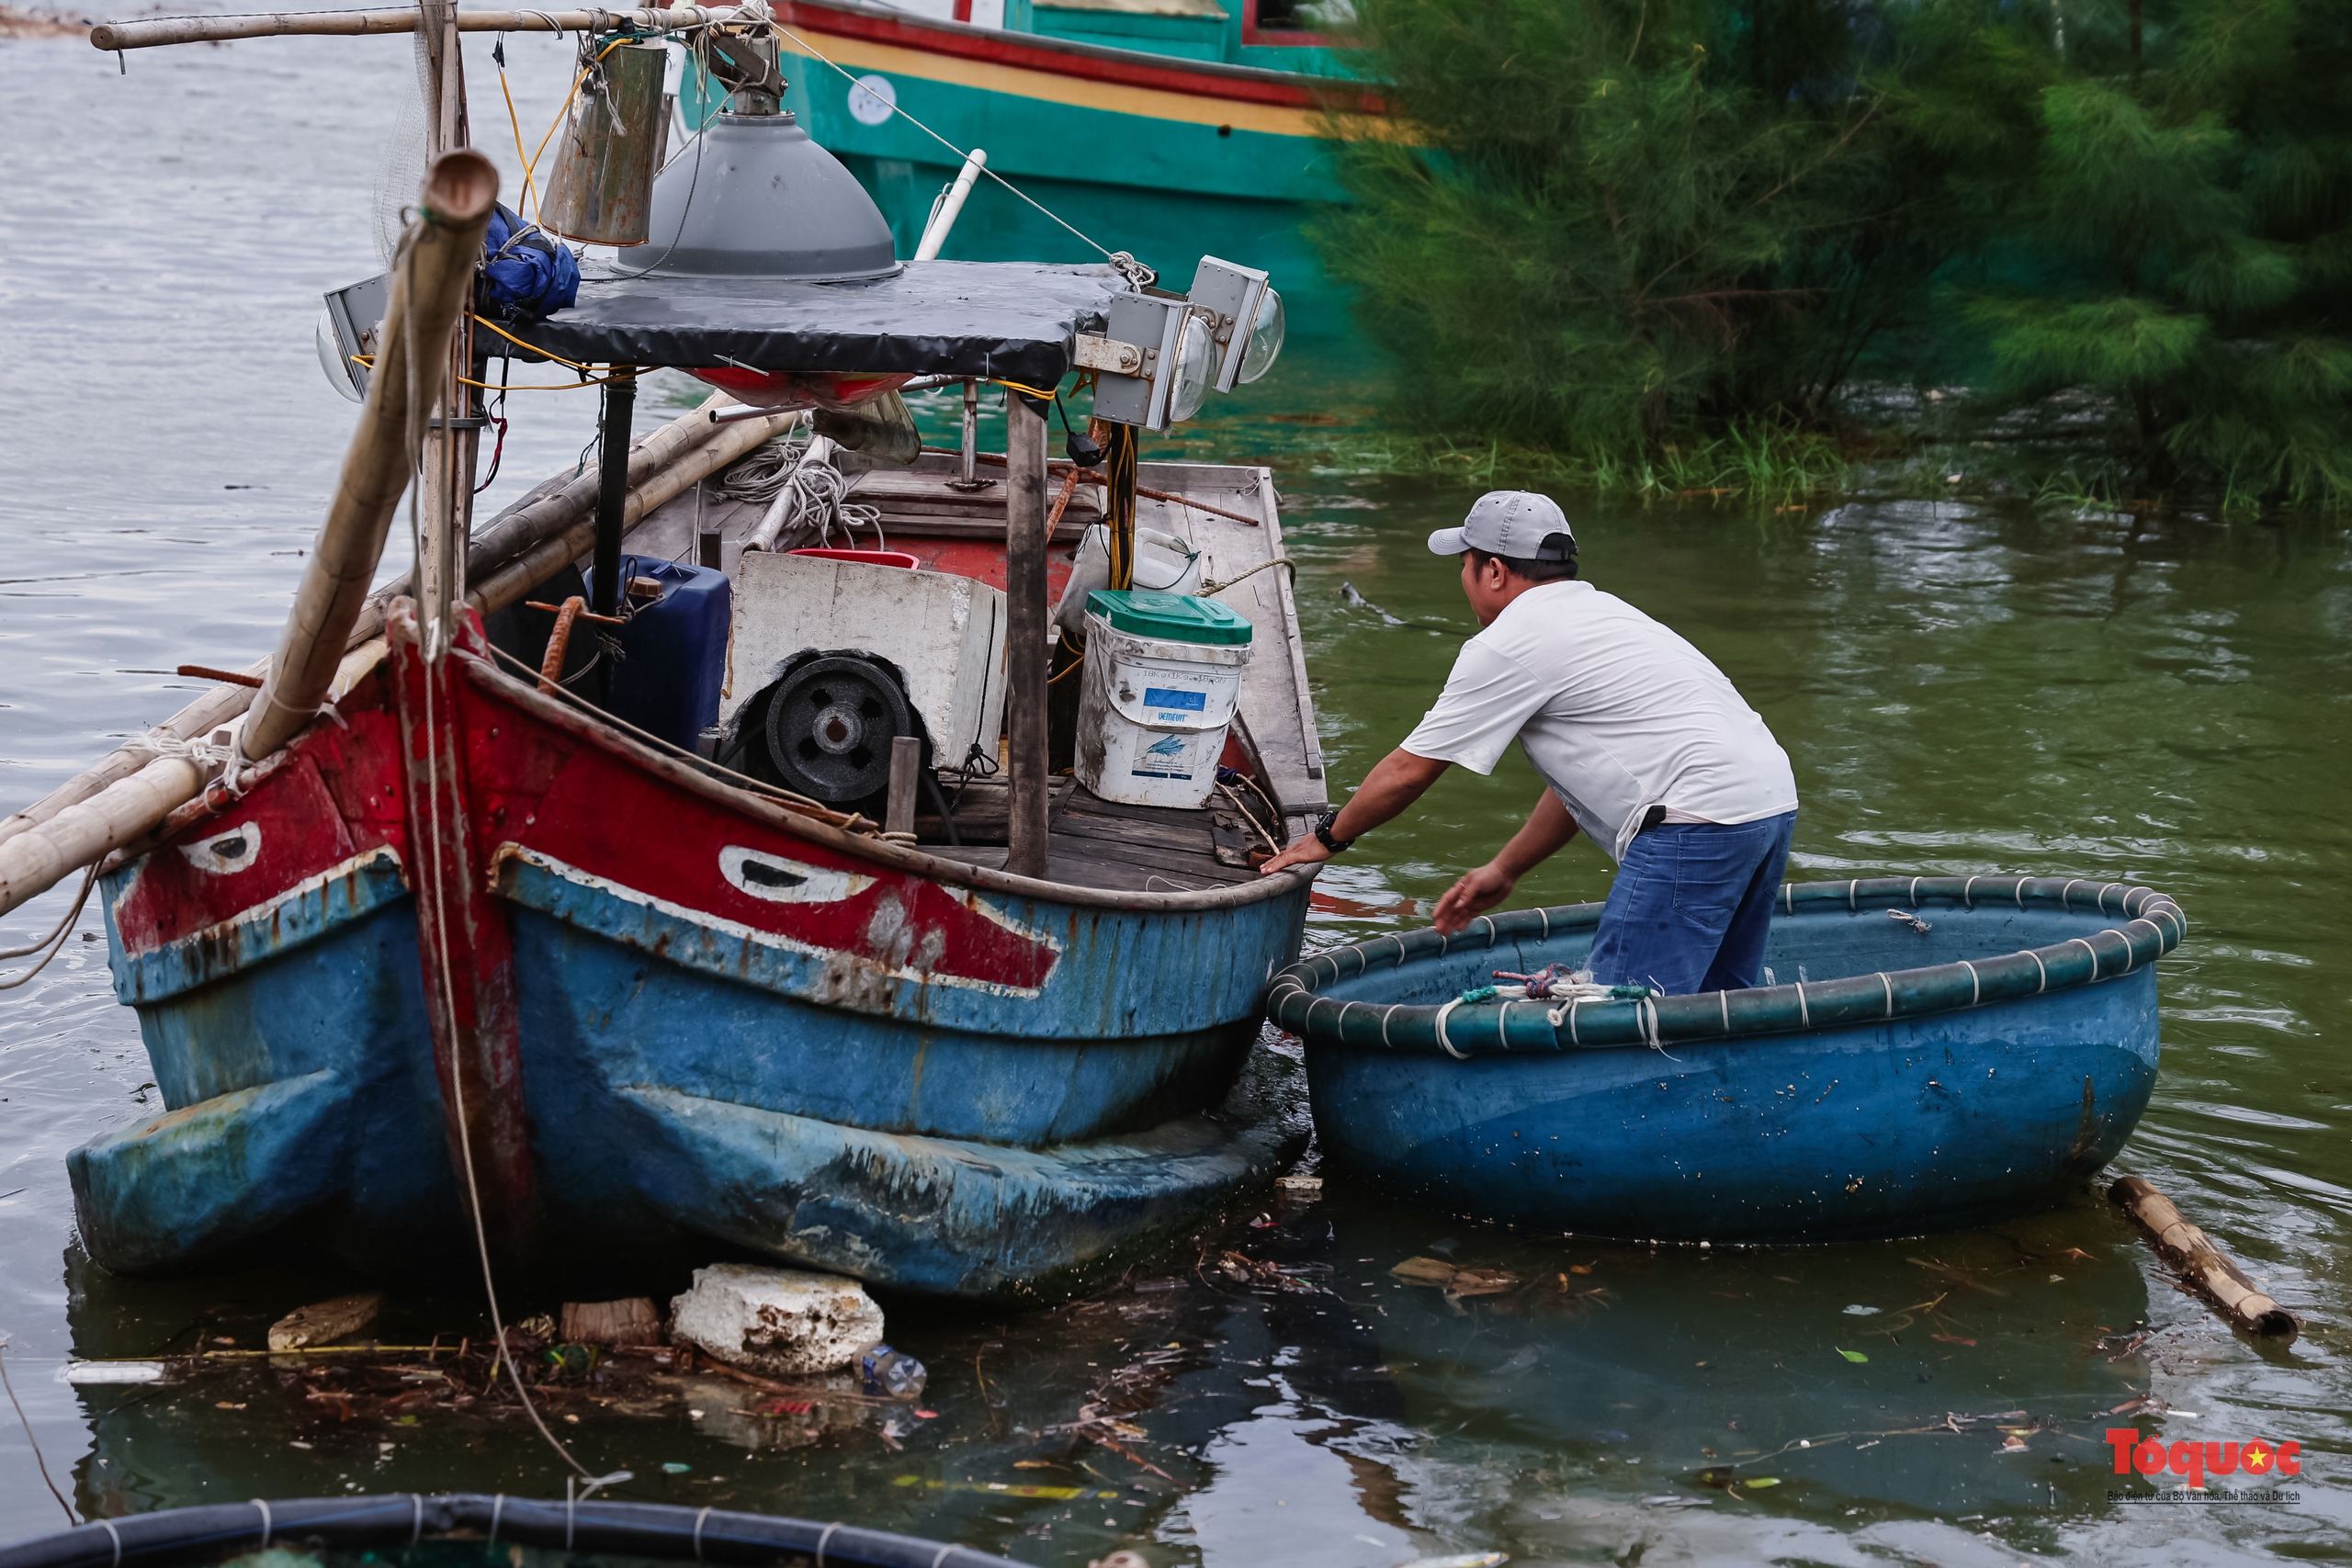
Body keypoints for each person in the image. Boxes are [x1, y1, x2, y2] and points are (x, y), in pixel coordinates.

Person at [1260, 491, 1799, 996]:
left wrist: (1326, 840)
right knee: (1721, 1006)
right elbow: (1584, 784)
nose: (1463, 579)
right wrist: (1506, 868)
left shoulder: (1509, 641)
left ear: (1493, 570)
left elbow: (1410, 771)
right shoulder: (1609, 615)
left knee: (1627, 1018)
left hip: (1696, 820)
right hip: (1768, 804)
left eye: (1464, 565)